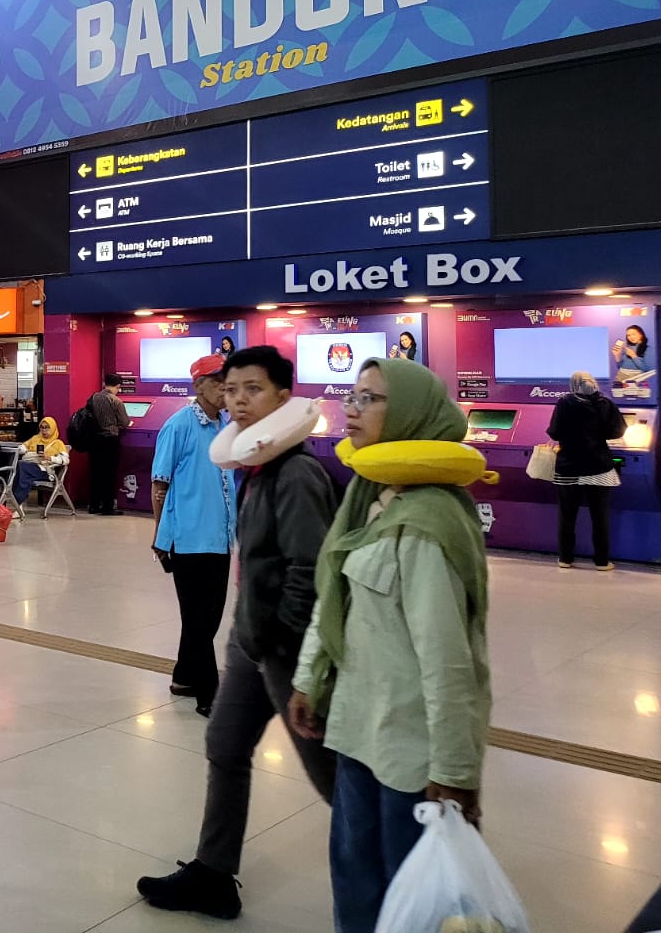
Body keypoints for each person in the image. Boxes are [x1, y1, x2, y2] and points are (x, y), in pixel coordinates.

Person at [289, 358, 491, 933]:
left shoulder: (428, 521)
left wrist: (453, 767)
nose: (352, 407)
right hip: (355, 728)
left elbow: (449, 659)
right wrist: (309, 678)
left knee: (413, 892)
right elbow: (336, 601)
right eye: (352, 395)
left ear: (409, 414)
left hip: (411, 752)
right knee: (355, 873)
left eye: (371, 399)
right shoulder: (367, 497)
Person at [138, 346, 337, 919]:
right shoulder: (254, 465)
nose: (239, 400)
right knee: (224, 748)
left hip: (284, 651)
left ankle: (396, 870)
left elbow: (311, 570)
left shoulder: (296, 473)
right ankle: (213, 872)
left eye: (253, 389)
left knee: (334, 779)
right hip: (251, 644)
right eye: (232, 390)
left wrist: (281, 643)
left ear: (282, 396)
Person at [150, 355, 236, 716]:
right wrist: (161, 537)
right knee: (200, 618)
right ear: (198, 385)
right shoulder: (179, 426)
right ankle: (208, 695)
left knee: (209, 616)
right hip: (186, 538)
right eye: (217, 381)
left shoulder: (227, 425)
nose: (224, 389)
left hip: (219, 536)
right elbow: (159, 483)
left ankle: (184, 676)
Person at [547, 370, 626, 570]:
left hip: (569, 468)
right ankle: (601, 561)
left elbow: (554, 432)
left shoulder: (565, 403)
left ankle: (566, 559)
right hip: (599, 467)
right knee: (600, 517)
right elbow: (617, 430)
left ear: (573, 384)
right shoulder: (604, 403)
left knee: (567, 516)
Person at [87, 373, 132, 515]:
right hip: (110, 441)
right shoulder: (116, 401)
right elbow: (125, 422)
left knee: (96, 473)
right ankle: (107, 506)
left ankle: (94, 505)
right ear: (118, 386)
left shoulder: (94, 398)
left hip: (94, 440)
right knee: (109, 474)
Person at [14, 417, 67, 504]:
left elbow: (65, 460)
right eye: (42, 427)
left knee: (21, 467)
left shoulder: (58, 443)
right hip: (29, 468)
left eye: (47, 427)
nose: (44, 430)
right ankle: (18, 504)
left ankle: (18, 504)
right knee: (23, 474)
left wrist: (50, 458)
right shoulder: (35, 438)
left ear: (53, 428)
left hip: (45, 470)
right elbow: (22, 447)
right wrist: (24, 450)